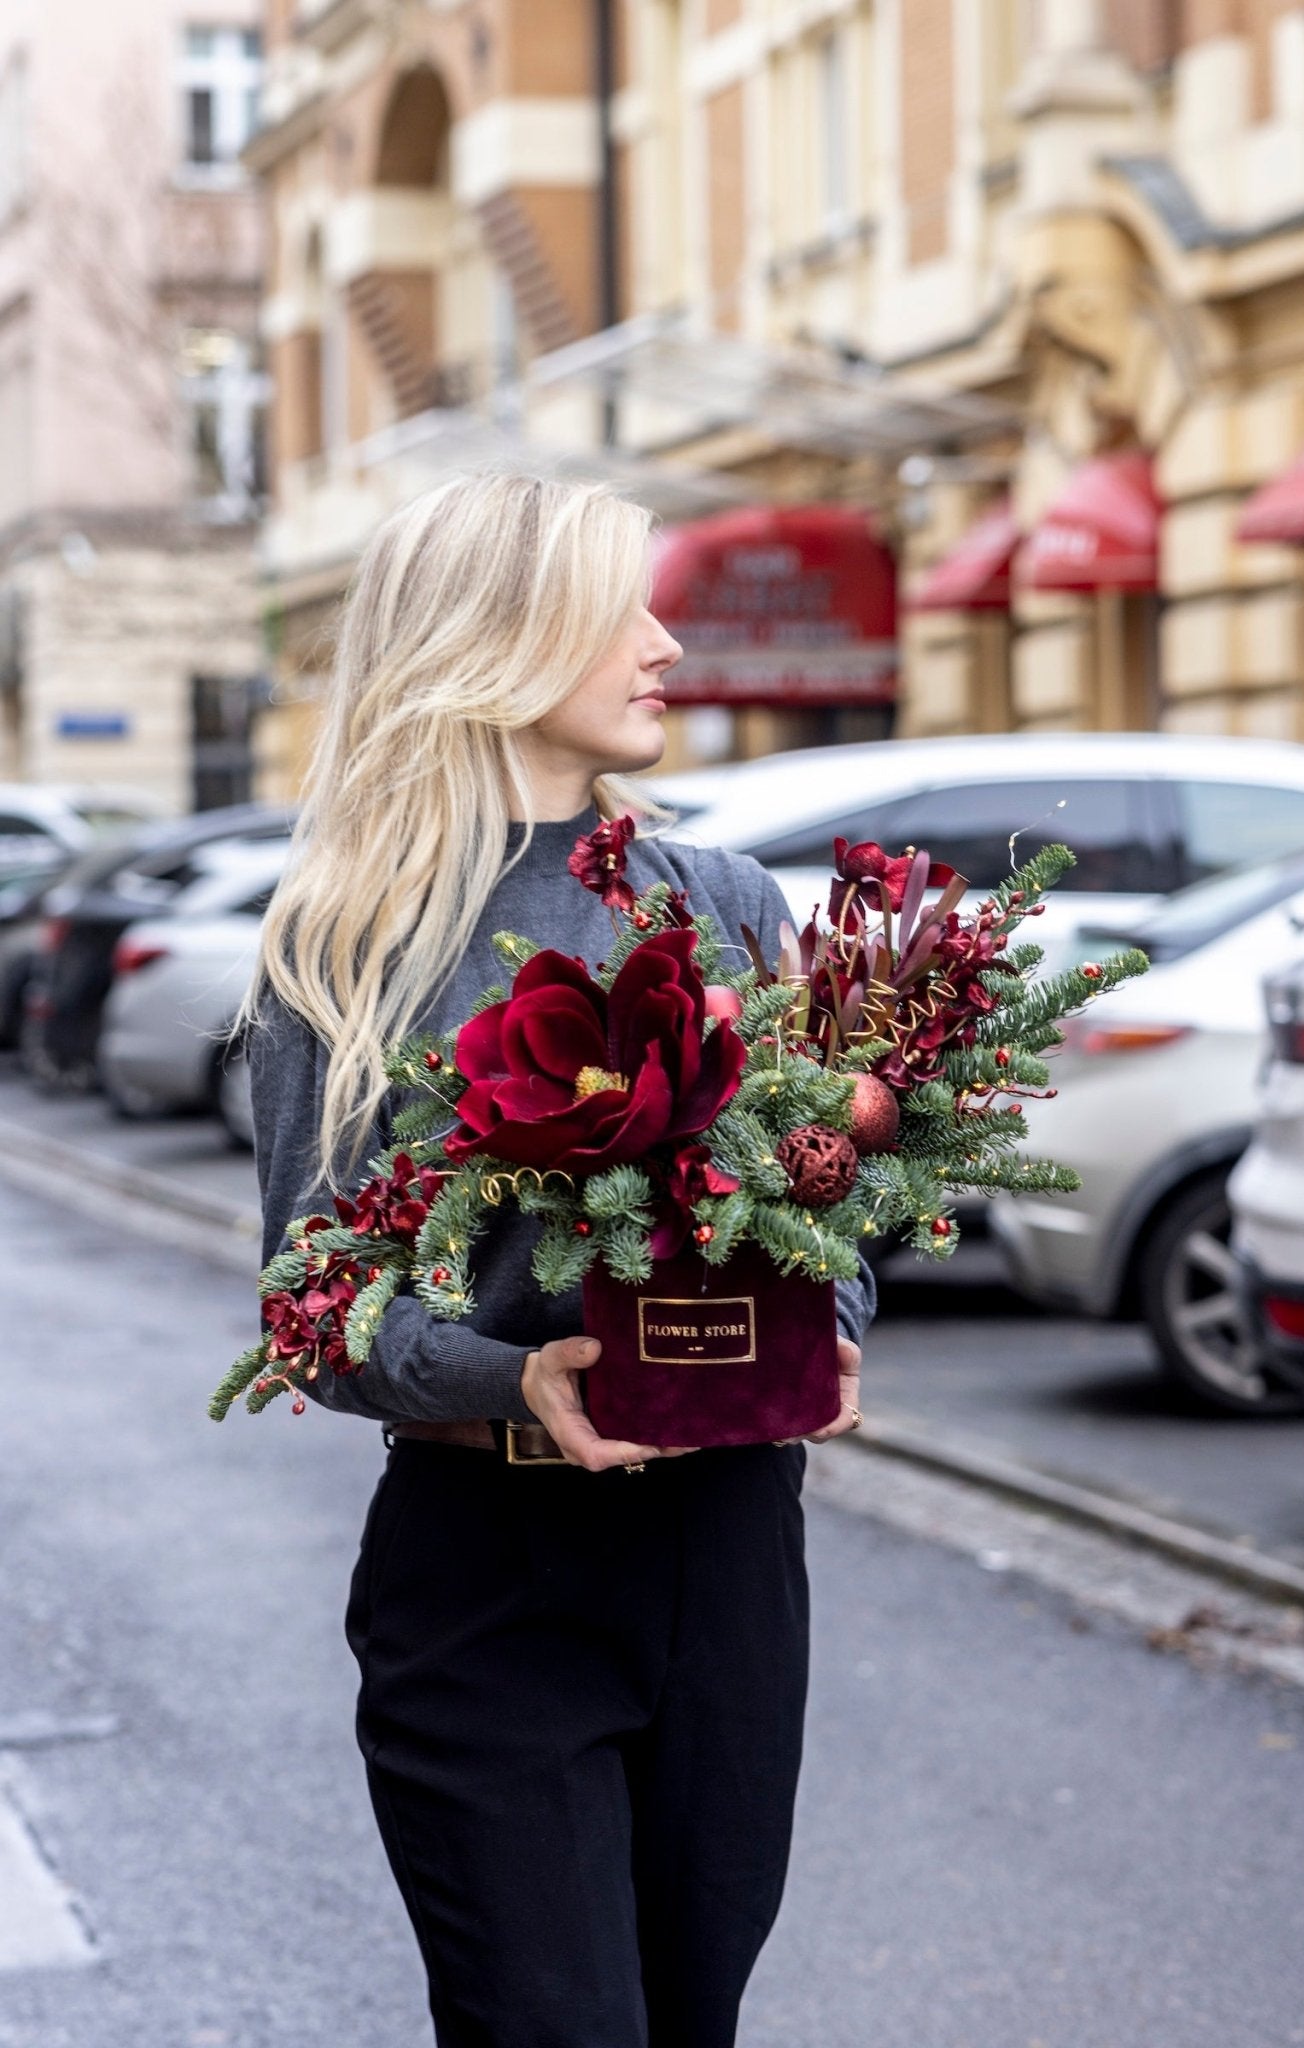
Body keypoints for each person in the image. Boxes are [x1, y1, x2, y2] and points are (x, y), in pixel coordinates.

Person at [245, 472, 876, 2048]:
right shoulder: (349, 939)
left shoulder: (718, 899)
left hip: (729, 1559)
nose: (666, 643)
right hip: (490, 1575)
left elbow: (827, 1192)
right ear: (499, 635)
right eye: (620, 610)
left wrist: (831, 1318)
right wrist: (511, 1373)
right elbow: (309, 1303)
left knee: (690, 2017)